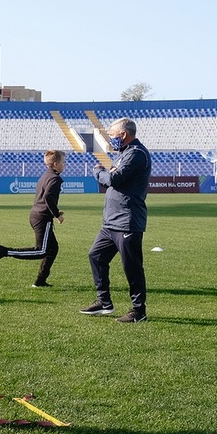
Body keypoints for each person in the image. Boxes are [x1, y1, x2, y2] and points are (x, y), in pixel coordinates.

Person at [80, 117, 152, 323]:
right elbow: (112, 179)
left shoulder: (136, 154)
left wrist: (99, 171)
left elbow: (113, 179)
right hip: (111, 221)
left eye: (112, 135)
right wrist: (107, 173)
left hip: (127, 220)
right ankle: (104, 302)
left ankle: (139, 311)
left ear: (123, 134)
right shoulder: (124, 154)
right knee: (96, 256)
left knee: (132, 267)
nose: (110, 139)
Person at [0, 150, 66, 287]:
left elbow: (44, 198)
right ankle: (4, 251)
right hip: (42, 217)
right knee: (41, 250)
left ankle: (40, 281)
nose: (64, 165)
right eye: (63, 162)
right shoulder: (55, 179)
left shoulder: (45, 176)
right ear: (55, 164)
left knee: (52, 249)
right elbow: (48, 197)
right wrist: (57, 215)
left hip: (37, 215)